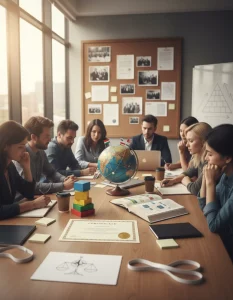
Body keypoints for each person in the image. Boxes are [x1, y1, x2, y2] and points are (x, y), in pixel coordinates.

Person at [0, 121, 50, 220]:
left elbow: (29, 193)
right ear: (5, 146)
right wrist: (32, 205)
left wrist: (26, 167)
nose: (24, 150)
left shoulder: (9, 166)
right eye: (20, 147)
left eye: (25, 146)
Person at [14, 116, 76, 194]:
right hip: (22, 201)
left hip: (33, 198)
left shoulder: (41, 152)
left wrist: (64, 179)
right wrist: (62, 186)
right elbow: (31, 187)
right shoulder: (20, 155)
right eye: (47, 136)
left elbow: (51, 172)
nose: (50, 139)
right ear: (34, 137)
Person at [198, 124, 233, 261]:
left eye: (210, 154)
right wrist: (205, 179)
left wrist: (211, 183)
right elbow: (204, 208)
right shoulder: (225, 175)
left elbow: (213, 224)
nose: (206, 158)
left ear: (227, 158)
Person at [161, 122, 212, 195]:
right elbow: (188, 172)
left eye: (191, 141)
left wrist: (185, 181)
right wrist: (173, 180)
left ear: (203, 142)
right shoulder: (198, 156)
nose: (187, 144)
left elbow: (196, 189)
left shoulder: (209, 161)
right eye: (187, 141)